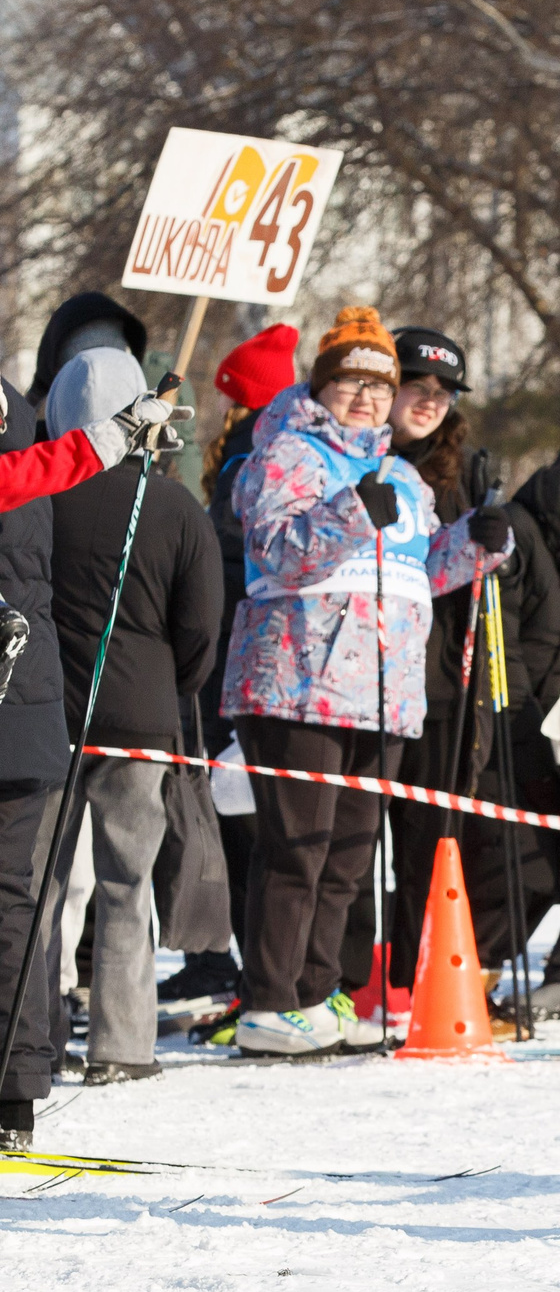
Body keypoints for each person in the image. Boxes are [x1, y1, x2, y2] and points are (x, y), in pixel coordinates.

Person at [220, 308, 510, 1057]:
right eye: (351, 382)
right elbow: (275, 549)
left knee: (348, 856)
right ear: (323, 386)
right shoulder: (287, 453)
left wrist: (476, 545)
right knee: (297, 849)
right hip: (297, 682)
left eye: (379, 385)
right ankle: (270, 1000)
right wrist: (352, 512)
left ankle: (317, 994)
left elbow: (418, 572)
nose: (366, 398)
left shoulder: (404, 476)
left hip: (382, 692)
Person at [382, 326, 560, 1017]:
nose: (428, 401)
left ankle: (428, 986)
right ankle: (352, 984)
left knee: (437, 844)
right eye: (415, 385)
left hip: (446, 686)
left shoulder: (466, 471)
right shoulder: (358, 457)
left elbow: (516, 590)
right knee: (353, 844)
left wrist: (496, 546)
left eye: (443, 392)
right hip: (364, 677)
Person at [45, 348, 224, 1084]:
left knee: (38, 886)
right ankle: (121, 1046)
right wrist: (170, 689)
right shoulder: (175, 506)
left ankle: (32, 1039)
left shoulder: (36, 496)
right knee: (128, 884)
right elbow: (202, 626)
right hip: (142, 721)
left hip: (46, 717)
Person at [167, 321, 301, 1024]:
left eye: (229, 397)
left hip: (236, 663)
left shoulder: (250, 459)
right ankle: (250, 972)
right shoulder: (270, 453)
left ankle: (251, 975)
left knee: (241, 826)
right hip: (254, 662)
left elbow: (227, 568)